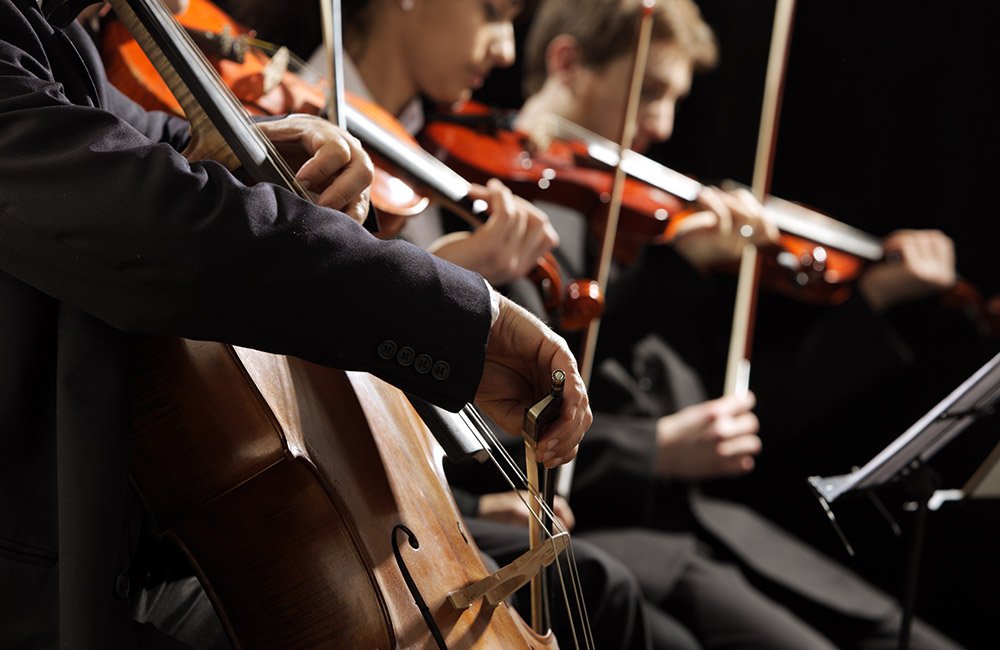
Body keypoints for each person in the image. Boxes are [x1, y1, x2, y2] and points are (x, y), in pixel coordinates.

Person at [0, 0, 594, 647]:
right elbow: (155, 226)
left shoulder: (56, 32)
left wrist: (265, 149)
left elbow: (140, 141)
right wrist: (453, 318)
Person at [473, 0, 963, 648]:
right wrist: (658, 448)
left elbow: (756, 416)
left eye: (675, 99)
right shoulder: (499, 219)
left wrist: (871, 303)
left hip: (726, 536)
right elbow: (518, 410)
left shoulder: (636, 229)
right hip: (618, 547)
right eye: (649, 93)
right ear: (566, 63)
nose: (663, 124)